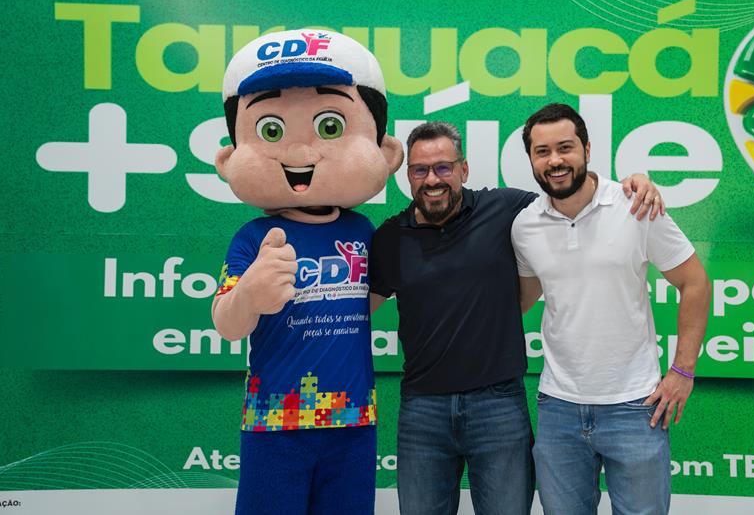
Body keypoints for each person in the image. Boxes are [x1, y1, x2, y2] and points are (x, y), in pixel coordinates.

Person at [369, 121, 663, 515]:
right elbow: (358, 313)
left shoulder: (506, 209)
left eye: (443, 167)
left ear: (463, 170)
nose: (432, 179)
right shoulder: (390, 238)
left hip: (498, 407)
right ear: (408, 176)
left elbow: (570, 193)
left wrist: (634, 182)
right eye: (420, 170)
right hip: (422, 410)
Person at [211, 29, 403, 515]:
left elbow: (365, 301)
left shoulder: (363, 231)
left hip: (353, 418)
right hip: (275, 420)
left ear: (385, 152)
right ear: (229, 158)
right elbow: (227, 324)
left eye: (330, 126)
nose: (300, 154)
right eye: (271, 131)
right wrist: (250, 294)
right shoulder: (253, 238)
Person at [511, 103, 711, 515]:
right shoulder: (525, 225)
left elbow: (695, 283)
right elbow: (521, 300)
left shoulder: (635, 206)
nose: (555, 160)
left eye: (565, 147)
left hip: (635, 406)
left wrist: (683, 371)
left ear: (586, 149)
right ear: (531, 159)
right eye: (542, 151)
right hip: (558, 407)